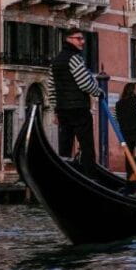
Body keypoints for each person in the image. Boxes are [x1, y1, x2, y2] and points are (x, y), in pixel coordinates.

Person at [48, 28, 103, 174]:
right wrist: (99, 92)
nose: (83, 42)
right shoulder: (75, 59)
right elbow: (85, 83)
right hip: (79, 108)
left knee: (65, 145)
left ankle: (64, 172)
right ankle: (90, 176)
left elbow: (51, 88)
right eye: (79, 38)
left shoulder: (55, 61)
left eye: (82, 39)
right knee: (86, 145)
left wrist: (55, 110)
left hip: (62, 110)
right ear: (69, 39)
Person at [115, 82, 136, 158]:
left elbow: (115, 118)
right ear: (133, 91)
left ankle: (129, 169)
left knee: (128, 155)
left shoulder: (118, 104)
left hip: (125, 132)